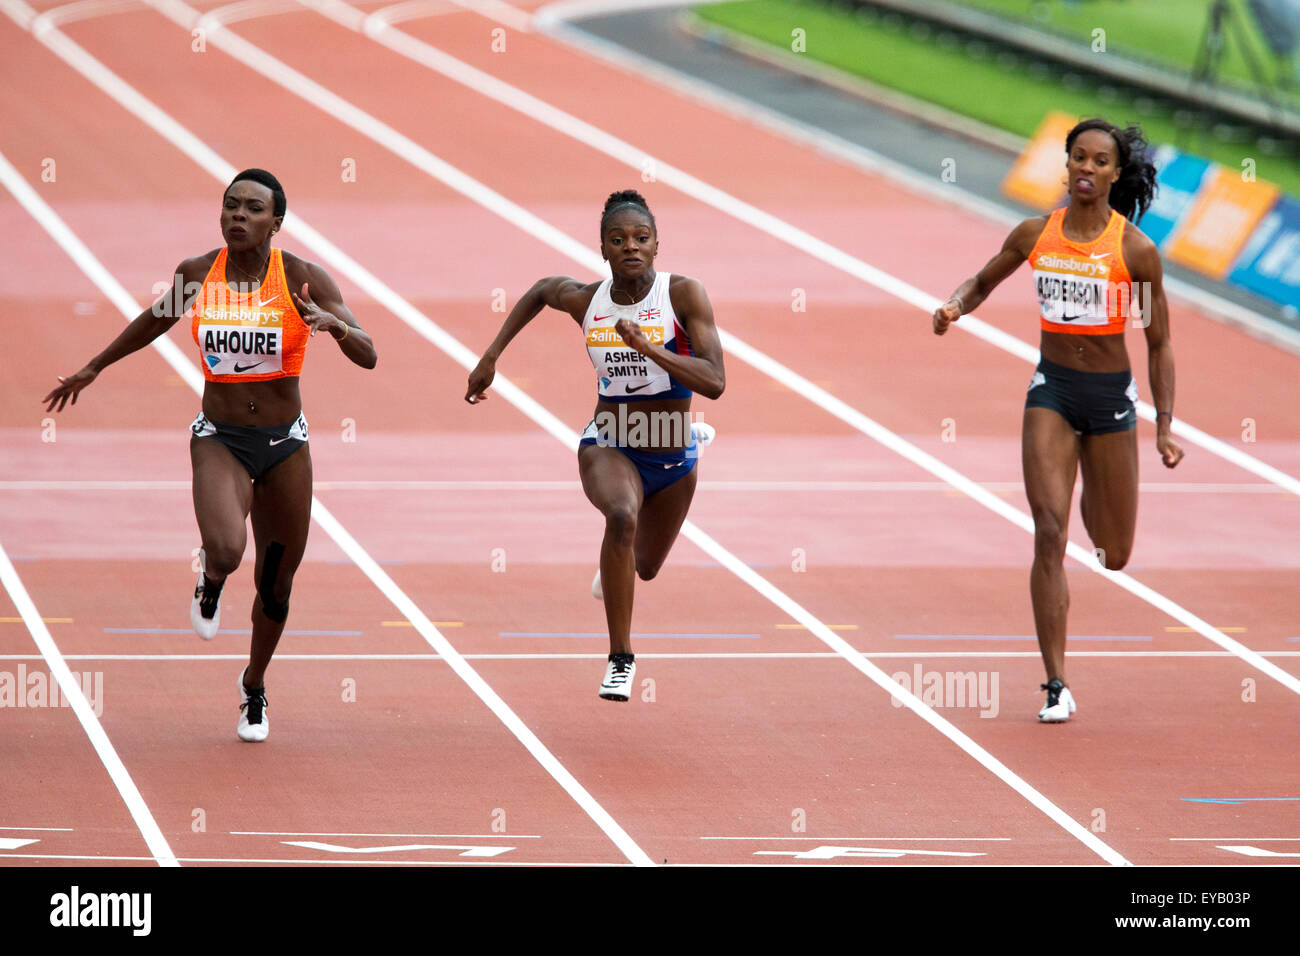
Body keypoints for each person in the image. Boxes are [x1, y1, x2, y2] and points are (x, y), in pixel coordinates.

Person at [43, 169, 377, 741]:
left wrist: (334, 327)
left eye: (253, 208)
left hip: (285, 446)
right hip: (221, 438)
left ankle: (254, 685)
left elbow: (370, 354)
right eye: (230, 206)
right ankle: (212, 577)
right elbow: (156, 319)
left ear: (276, 222)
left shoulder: (303, 278)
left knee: (276, 588)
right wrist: (95, 366)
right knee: (226, 548)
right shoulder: (198, 274)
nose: (238, 215)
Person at [933, 119, 1184, 722]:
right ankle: (1056, 682)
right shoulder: (1035, 235)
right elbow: (983, 280)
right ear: (1066, 164)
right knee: (1049, 530)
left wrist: (1164, 425)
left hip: (1111, 401)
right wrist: (955, 305)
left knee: (1114, 553)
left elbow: (1157, 343)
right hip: (1053, 392)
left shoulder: (1134, 253)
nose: (1087, 169)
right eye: (1078, 157)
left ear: (1116, 173)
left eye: (1100, 161)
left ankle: (1096, 491)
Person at [466, 190, 725, 701]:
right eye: (618, 239)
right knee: (622, 516)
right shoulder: (589, 301)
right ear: (602, 248)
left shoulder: (683, 295)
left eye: (641, 238)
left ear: (657, 245)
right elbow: (543, 290)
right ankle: (620, 659)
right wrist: (491, 356)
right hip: (611, 440)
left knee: (644, 567)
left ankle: (619, 558)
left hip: (670, 451)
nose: (631, 246)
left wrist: (647, 347)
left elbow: (715, 381)